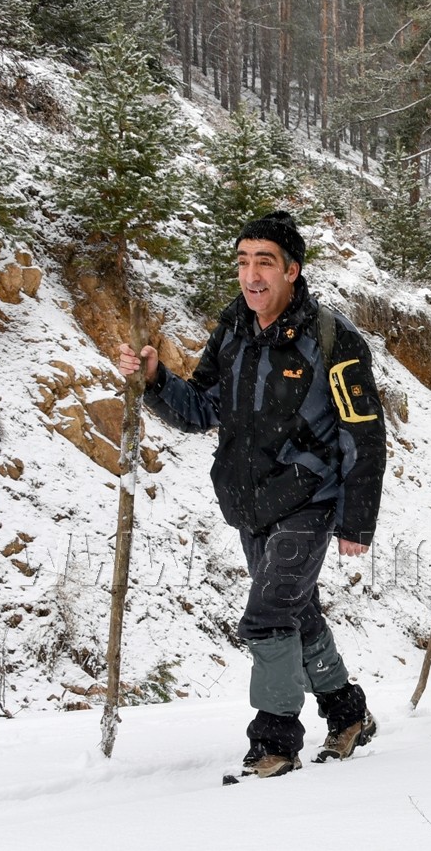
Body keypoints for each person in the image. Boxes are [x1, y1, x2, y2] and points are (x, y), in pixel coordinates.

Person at [117, 211, 384, 779]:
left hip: (309, 499)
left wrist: (357, 520)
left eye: (265, 261)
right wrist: (156, 381)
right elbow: (203, 408)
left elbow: (363, 432)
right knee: (298, 613)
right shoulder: (233, 329)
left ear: (292, 270)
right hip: (247, 502)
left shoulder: (333, 339)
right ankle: (347, 712)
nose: (251, 274)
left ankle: (275, 739)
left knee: (267, 615)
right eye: (243, 261)